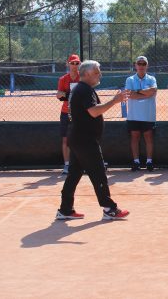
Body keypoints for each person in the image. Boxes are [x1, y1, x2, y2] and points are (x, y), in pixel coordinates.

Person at [56, 60, 130, 221]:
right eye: (97, 72)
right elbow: (94, 112)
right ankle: (110, 208)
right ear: (87, 74)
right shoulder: (84, 90)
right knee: (98, 173)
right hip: (84, 140)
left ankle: (65, 209)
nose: (100, 75)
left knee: (74, 174)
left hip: (78, 139)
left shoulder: (83, 88)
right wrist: (114, 101)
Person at [125, 55, 158, 172]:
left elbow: (152, 91)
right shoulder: (130, 79)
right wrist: (145, 93)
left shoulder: (152, 79)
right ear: (135, 65)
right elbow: (129, 94)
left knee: (148, 138)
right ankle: (136, 162)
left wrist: (137, 91)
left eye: (144, 64)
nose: (141, 66)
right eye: (139, 63)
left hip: (148, 115)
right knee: (135, 138)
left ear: (147, 66)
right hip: (134, 115)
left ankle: (149, 162)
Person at [56, 54, 81, 175]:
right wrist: (69, 96)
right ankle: (66, 165)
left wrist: (67, 95)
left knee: (81, 140)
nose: (74, 65)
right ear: (68, 64)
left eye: (77, 63)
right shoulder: (63, 79)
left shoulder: (83, 78)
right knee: (66, 140)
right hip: (66, 113)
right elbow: (59, 95)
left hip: (80, 114)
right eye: (72, 63)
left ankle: (81, 164)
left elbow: (86, 94)